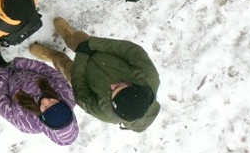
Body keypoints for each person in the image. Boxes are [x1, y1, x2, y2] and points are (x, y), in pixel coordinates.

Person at [30, 18, 160, 131]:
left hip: (82, 77)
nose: (113, 85)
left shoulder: (105, 113)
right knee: (78, 38)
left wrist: (81, 59)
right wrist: (91, 44)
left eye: (112, 93)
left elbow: (82, 95)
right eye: (120, 86)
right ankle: (68, 36)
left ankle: (54, 56)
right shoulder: (149, 77)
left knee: (64, 66)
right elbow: (130, 50)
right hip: (99, 49)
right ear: (136, 87)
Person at [0, 45, 79, 145]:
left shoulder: (27, 123)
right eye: (54, 102)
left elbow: (1, 102)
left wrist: (1, 77)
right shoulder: (66, 94)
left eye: (46, 107)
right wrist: (23, 64)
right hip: (19, 70)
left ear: (43, 119)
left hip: (3, 87)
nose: (46, 101)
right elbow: (50, 72)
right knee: (3, 65)